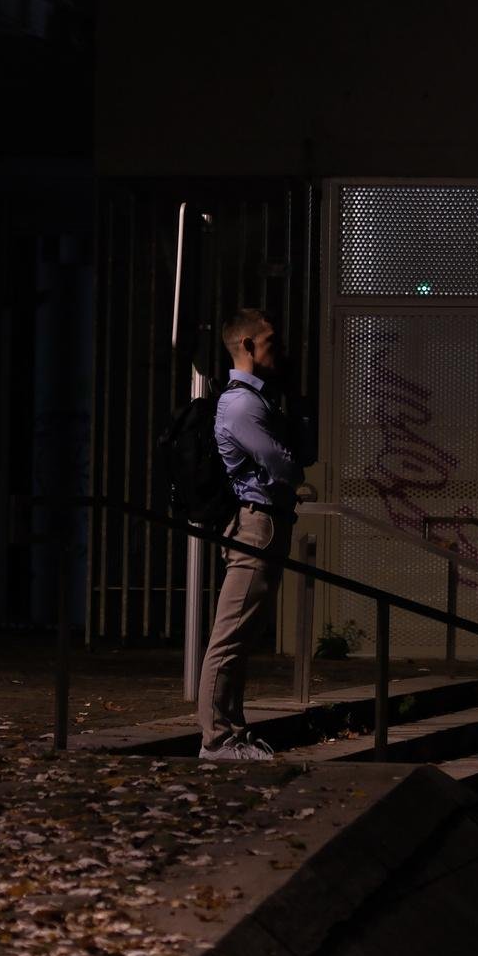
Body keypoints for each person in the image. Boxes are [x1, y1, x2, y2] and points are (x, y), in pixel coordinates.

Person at [196, 308, 305, 763]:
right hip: (256, 522)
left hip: (267, 520)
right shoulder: (241, 404)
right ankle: (217, 740)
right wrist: (292, 465)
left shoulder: (255, 400)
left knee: (241, 635)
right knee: (229, 636)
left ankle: (232, 734)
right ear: (245, 346)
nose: (277, 351)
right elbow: (283, 462)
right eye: (269, 342)